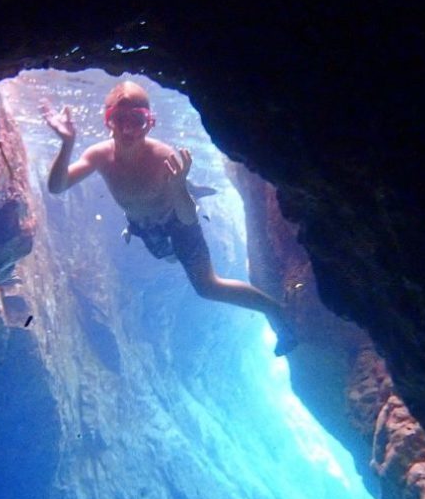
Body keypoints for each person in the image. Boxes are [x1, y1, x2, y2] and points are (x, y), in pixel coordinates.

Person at [41, 81, 296, 356]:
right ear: (108, 122)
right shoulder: (99, 155)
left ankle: (275, 310)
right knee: (169, 257)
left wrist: (177, 187)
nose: (127, 129)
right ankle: (161, 238)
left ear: (150, 123)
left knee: (207, 286)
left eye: (136, 120)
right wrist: (67, 144)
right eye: (119, 119)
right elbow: (57, 186)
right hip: (144, 227)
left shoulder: (164, 157)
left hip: (179, 222)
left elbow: (188, 220)